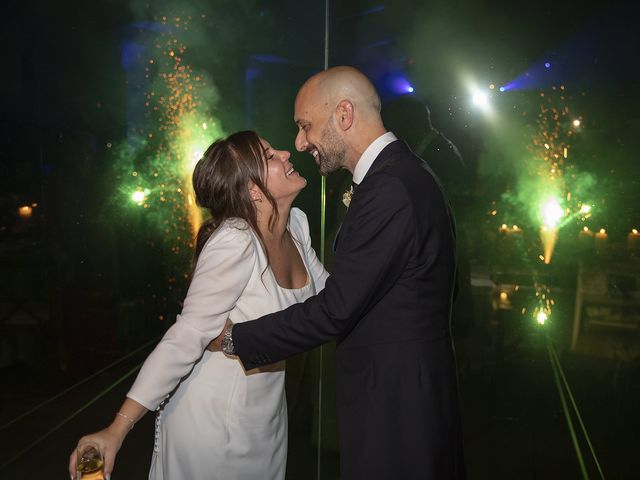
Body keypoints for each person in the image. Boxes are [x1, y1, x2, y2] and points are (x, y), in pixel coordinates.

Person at [214, 67, 465, 479]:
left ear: (344, 115)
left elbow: (336, 309)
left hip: (397, 404)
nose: (298, 142)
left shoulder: (390, 188)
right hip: (405, 390)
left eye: (305, 126)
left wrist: (234, 337)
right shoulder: (400, 175)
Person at [68, 131, 328, 480]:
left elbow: (333, 303)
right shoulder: (236, 240)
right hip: (212, 425)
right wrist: (117, 428)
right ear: (252, 190)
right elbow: (186, 337)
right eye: (269, 156)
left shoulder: (297, 226)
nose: (285, 152)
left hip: (265, 421)